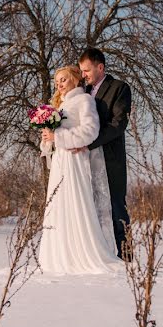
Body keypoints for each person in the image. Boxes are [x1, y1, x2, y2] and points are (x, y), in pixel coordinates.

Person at [37, 65, 118, 273]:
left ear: (75, 78)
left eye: (63, 80)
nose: (59, 85)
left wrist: (60, 137)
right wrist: (48, 138)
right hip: (60, 161)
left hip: (75, 160)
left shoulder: (85, 101)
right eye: (57, 82)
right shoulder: (60, 105)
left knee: (76, 203)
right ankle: (61, 256)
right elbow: (55, 138)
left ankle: (81, 254)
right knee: (59, 205)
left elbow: (91, 131)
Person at [77, 47, 132, 260]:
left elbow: (118, 125)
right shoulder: (82, 92)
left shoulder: (119, 88)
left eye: (87, 70)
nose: (83, 75)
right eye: (81, 71)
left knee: (116, 207)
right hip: (84, 162)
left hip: (110, 159)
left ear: (100, 67)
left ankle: (127, 257)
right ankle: (99, 256)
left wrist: (89, 143)